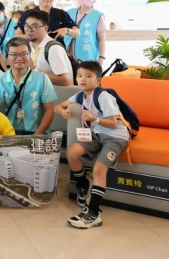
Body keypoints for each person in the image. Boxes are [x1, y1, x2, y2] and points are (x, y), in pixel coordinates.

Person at [55, 61, 129, 229]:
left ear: (98, 80)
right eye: (80, 75)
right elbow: (57, 107)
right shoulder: (80, 95)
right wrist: (63, 111)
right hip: (96, 134)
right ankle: (82, 185)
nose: (83, 79)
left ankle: (93, 213)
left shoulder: (103, 96)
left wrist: (93, 119)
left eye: (88, 76)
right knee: (71, 153)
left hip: (115, 137)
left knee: (98, 169)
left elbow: (113, 124)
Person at [0, 37, 57, 135]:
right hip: (6, 133)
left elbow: (49, 111)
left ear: (29, 56)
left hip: (35, 132)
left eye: (24, 54)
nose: (20, 58)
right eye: (14, 54)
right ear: (7, 58)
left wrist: (37, 135)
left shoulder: (42, 79)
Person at [24, 10, 74, 86]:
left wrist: (34, 71)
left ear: (46, 29)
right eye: (27, 26)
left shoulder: (53, 48)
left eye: (34, 26)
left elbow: (65, 81)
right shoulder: (29, 46)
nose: (29, 30)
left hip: (55, 93)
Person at [65, 0, 107, 65]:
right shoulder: (68, 13)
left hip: (88, 57)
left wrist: (101, 58)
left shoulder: (98, 16)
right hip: (67, 56)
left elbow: (102, 39)